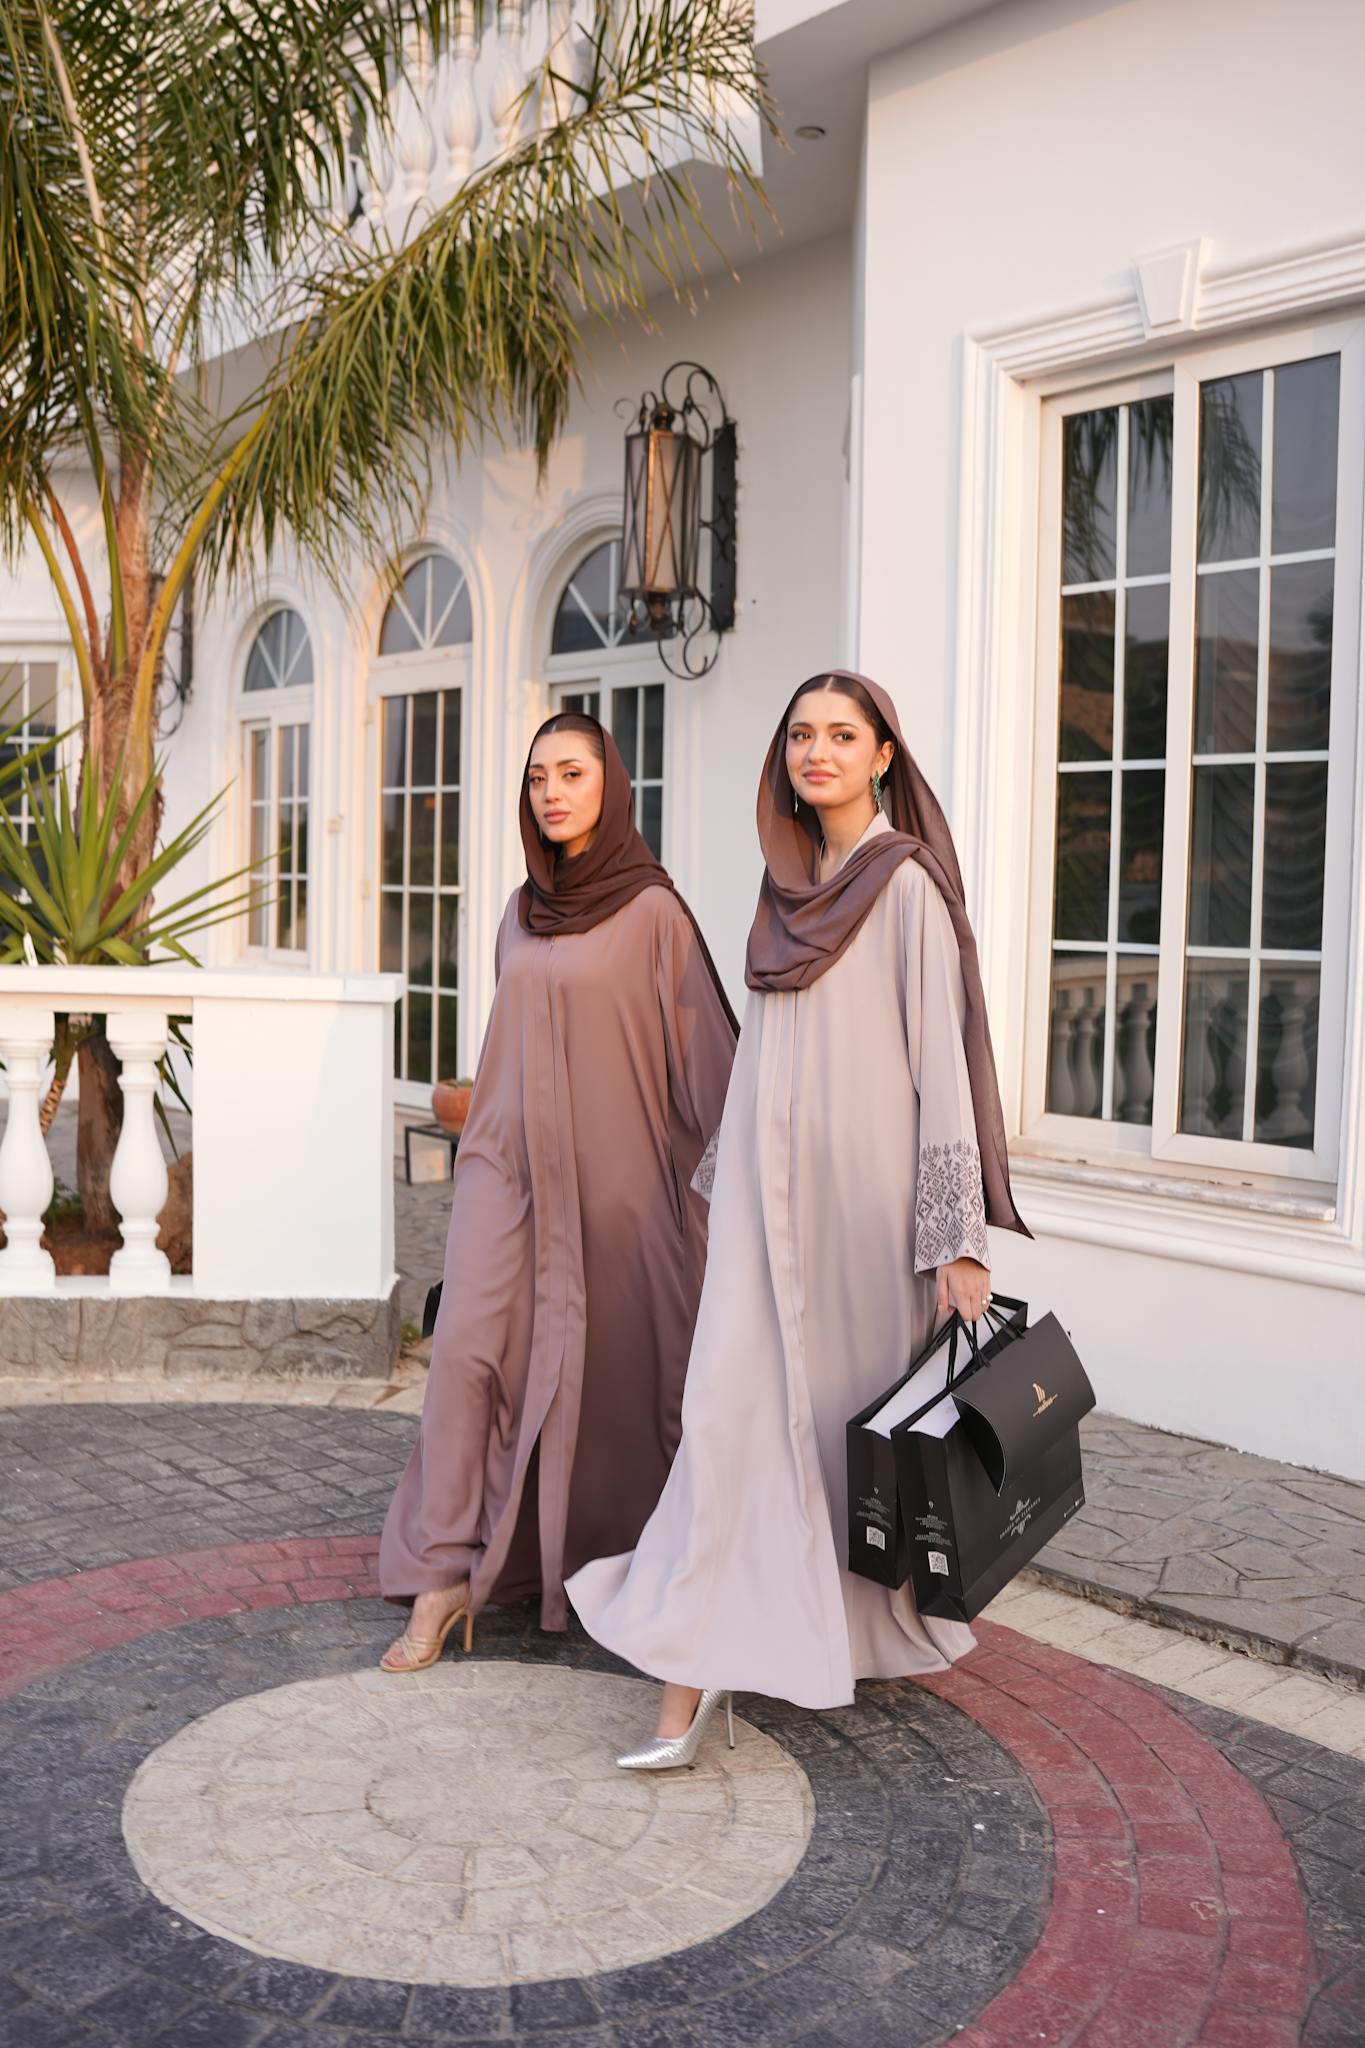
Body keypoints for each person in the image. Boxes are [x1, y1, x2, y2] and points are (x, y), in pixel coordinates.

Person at [567, 671, 1029, 1765]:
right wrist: (727, 1196)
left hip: (865, 1223)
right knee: (727, 1421)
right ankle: (689, 1679)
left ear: (881, 756)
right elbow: (761, 1060)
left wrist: (957, 1238)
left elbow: (943, 1067)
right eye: (800, 735)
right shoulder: (783, 890)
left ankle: (816, 1631)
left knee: (840, 1443)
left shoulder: (904, 886)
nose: (816, 751)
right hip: (765, 1220)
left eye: (842, 734)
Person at [378, 711, 738, 1670]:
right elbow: (501, 1054)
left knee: (612, 1376)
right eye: (537, 775)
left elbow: (711, 1069)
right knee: (465, 1351)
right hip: (508, 1174)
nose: (550, 791)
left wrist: (736, 1201)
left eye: (570, 773)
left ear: (608, 786)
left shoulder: (653, 911)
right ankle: (442, 1572)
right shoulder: (519, 908)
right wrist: (480, 1161)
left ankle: (600, 1563)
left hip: (618, 1194)